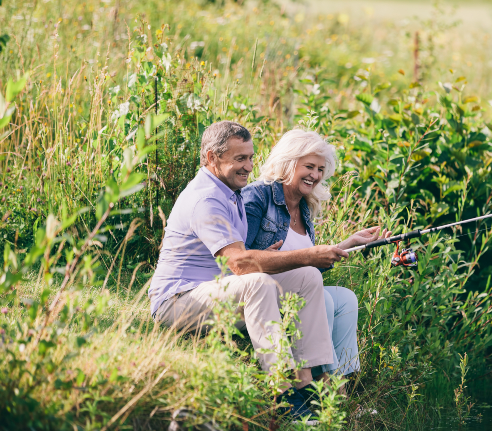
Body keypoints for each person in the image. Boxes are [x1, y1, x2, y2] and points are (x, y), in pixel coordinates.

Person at [148, 121, 349, 424]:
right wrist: (307, 254)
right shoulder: (206, 198)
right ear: (212, 158)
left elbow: (240, 257)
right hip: (178, 301)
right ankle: (283, 394)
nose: (248, 166)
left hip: (216, 290)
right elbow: (240, 264)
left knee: (308, 276)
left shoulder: (231, 191)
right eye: (239, 159)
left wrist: (275, 260)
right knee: (258, 282)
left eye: (251, 157)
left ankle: (306, 382)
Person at [242, 129, 391, 386]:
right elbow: (236, 258)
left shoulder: (303, 206)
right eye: (309, 166)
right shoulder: (258, 196)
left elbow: (308, 269)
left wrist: (349, 243)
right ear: (288, 163)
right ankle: (316, 385)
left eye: (320, 169)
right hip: (261, 291)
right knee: (324, 298)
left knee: (345, 298)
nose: (315, 175)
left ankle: (339, 379)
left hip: (297, 290)